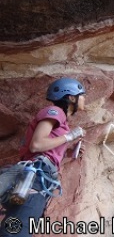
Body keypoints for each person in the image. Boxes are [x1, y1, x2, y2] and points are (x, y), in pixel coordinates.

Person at [0, 78, 86, 237]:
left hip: (39, 181)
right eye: (81, 95)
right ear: (71, 97)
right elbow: (37, 145)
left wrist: (68, 151)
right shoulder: (55, 112)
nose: (84, 98)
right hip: (36, 180)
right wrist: (69, 137)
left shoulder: (61, 122)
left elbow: (46, 150)